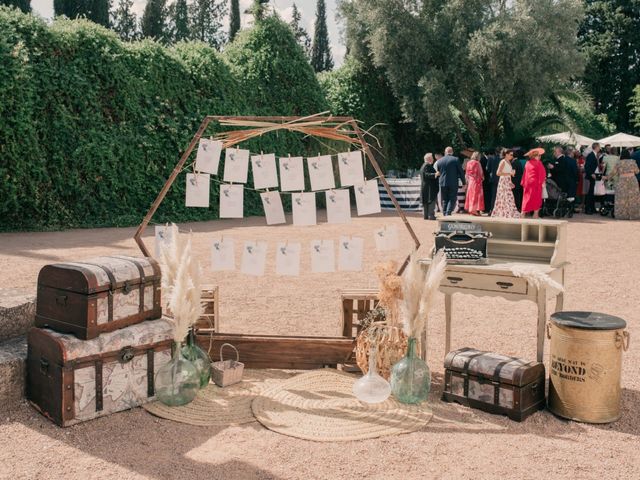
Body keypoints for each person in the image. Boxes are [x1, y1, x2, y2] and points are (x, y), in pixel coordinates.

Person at [435, 146, 465, 216]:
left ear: (445, 152)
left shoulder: (440, 161)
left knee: (445, 199)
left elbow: (439, 172)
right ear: (452, 152)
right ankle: (448, 212)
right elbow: (461, 172)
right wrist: (464, 182)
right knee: (452, 198)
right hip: (453, 182)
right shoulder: (456, 160)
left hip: (442, 182)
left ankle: (445, 212)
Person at [491, 149, 520, 218]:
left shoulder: (509, 162)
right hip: (503, 181)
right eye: (511, 155)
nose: (512, 156)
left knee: (508, 197)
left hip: (507, 181)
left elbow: (508, 173)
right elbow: (498, 173)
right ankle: (504, 213)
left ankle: (506, 212)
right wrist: (509, 173)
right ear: (506, 154)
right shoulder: (503, 161)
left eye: (512, 155)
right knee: (504, 197)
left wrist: (511, 181)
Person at [612, 149, 640, 219]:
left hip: (622, 181)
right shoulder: (633, 162)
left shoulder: (619, 163)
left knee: (622, 198)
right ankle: (633, 215)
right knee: (633, 198)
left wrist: (606, 177)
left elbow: (613, 173)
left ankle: (622, 215)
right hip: (632, 181)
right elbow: (637, 171)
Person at [521, 148, 547, 218]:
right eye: (539, 155)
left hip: (527, 183)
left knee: (526, 198)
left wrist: (523, 182)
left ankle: (523, 213)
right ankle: (535, 214)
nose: (540, 157)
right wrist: (542, 182)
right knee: (537, 198)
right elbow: (542, 173)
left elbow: (525, 174)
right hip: (536, 183)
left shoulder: (527, 163)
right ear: (536, 156)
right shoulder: (539, 163)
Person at [584, 142, 603, 214]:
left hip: (594, 175)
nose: (600, 148)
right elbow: (587, 166)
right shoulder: (591, 155)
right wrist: (591, 174)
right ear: (596, 147)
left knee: (592, 193)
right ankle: (588, 209)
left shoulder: (594, 155)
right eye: (599, 147)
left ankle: (592, 208)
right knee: (590, 193)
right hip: (591, 176)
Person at [464, 151, 484, 216]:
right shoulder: (477, 163)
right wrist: (482, 178)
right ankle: (474, 210)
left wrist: (467, 182)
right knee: (476, 196)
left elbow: (466, 173)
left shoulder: (468, 163)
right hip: (477, 182)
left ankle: (470, 210)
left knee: (470, 195)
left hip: (470, 182)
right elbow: (480, 173)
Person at [419, 153, 439, 220]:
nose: (433, 159)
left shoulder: (423, 166)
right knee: (431, 201)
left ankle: (426, 216)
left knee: (426, 202)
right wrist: (435, 174)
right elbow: (427, 174)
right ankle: (431, 216)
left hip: (426, 187)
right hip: (429, 188)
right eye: (432, 158)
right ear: (429, 159)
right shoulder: (427, 166)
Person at [486, 147, 502, 212]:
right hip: (501, 178)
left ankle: (492, 210)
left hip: (493, 179)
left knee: (493, 195)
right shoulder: (502, 159)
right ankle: (500, 210)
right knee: (501, 195)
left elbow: (487, 169)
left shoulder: (491, 158)